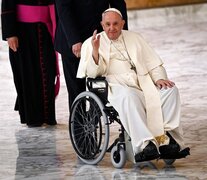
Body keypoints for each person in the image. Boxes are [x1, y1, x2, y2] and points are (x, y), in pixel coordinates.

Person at [77, 8, 190, 162]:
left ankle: (166, 138)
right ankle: (145, 144)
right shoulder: (91, 43)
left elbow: (153, 63)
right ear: (102, 25)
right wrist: (95, 52)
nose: (112, 28)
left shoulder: (135, 38)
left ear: (122, 23)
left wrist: (158, 79)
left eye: (116, 24)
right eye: (108, 24)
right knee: (130, 97)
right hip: (115, 85)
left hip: (142, 82)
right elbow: (92, 74)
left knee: (170, 91)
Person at [54, 0, 128, 110]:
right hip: (72, 38)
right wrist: (74, 40)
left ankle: (93, 121)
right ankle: (78, 126)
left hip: (100, 38)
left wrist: (123, 34)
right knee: (76, 88)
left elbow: (118, 3)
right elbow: (64, 9)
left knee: (99, 85)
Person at [1, 0, 59, 127]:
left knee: (48, 73)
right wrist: (10, 33)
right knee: (28, 75)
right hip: (22, 32)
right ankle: (32, 118)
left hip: (46, 28)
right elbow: (6, 4)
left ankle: (47, 116)